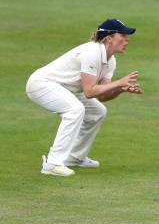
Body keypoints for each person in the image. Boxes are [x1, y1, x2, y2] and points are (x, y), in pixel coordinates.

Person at [26, 19, 142, 177]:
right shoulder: (91, 53)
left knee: (98, 111)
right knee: (75, 110)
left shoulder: (111, 60)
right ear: (108, 38)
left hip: (66, 88)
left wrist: (120, 88)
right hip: (41, 84)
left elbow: (101, 96)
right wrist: (118, 82)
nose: (127, 40)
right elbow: (89, 91)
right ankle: (52, 164)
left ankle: (75, 157)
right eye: (122, 35)